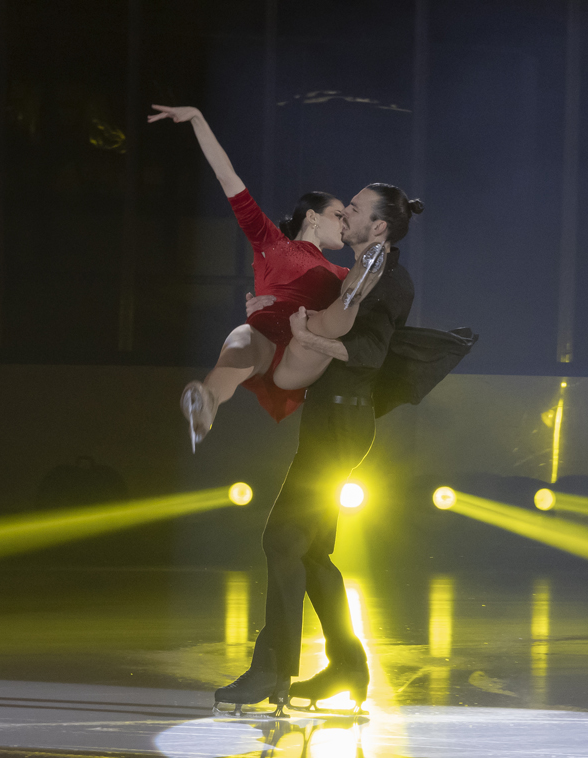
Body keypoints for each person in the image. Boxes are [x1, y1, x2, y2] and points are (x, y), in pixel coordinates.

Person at [214, 183, 424, 714]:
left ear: (378, 226)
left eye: (354, 209)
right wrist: (267, 306)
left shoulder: (391, 280)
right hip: (329, 418)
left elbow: (370, 351)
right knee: (309, 552)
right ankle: (349, 670)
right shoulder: (350, 274)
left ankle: (270, 669)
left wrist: (312, 341)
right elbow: (301, 306)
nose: (344, 213)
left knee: (281, 539)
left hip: (344, 424)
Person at [147, 105, 388, 447]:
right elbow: (229, 179)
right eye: (338, 215)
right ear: (313, 217)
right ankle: (207, 402)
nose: (345, 222)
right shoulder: (270, 242)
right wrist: (199, 118)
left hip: (305, 341)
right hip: (263, 334)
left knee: (318, 325)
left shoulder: (342, 272)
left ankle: (355, 292)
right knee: (241, 338)